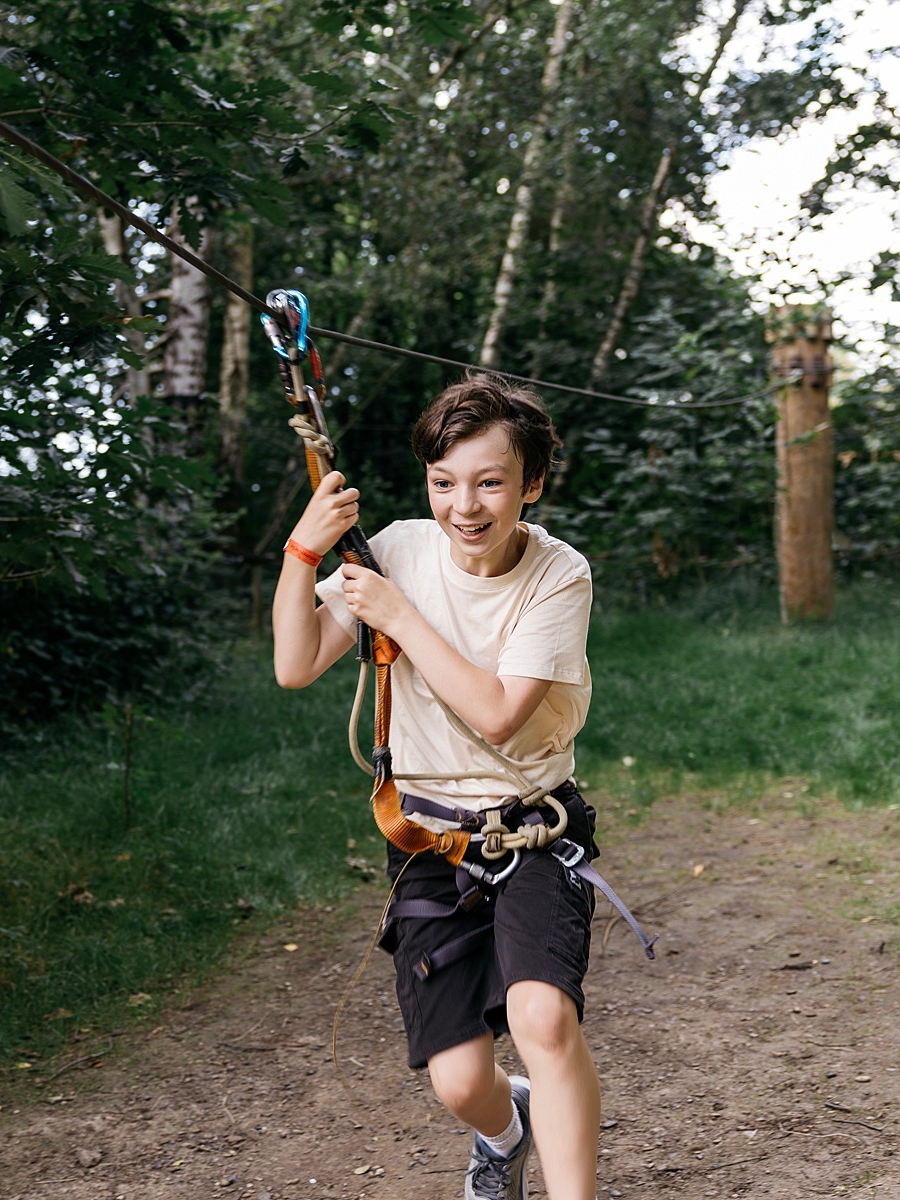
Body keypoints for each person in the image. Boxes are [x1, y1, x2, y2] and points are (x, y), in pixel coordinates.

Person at [272, 377, 601, 1200]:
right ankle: (505, 1132)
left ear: (530, 484)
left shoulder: (559, 577)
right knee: (459, 1081)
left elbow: (498, 714)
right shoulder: (398, 549)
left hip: (533, 831)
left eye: (490, 481)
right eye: (444, 482)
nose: (465, 506)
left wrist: (397, 613)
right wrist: (302, 553)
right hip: (429, 840)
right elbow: (294, 663)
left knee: (542, 1019)